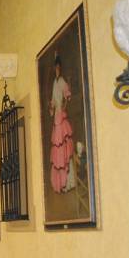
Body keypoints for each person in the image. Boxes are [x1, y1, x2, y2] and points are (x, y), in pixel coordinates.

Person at [49, 54, 76, 194]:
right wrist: (52, 107)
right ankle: (59, 184)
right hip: (56, 118)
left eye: (59, 67)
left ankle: (67, 182)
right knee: (57, 148)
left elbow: (67, 95)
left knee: (63, 148)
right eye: (56, 67)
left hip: (61, 116)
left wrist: (63, 106)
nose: (57, 69)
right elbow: (53, 99)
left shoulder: (62, 81)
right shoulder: (55, 82)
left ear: (60, 67)